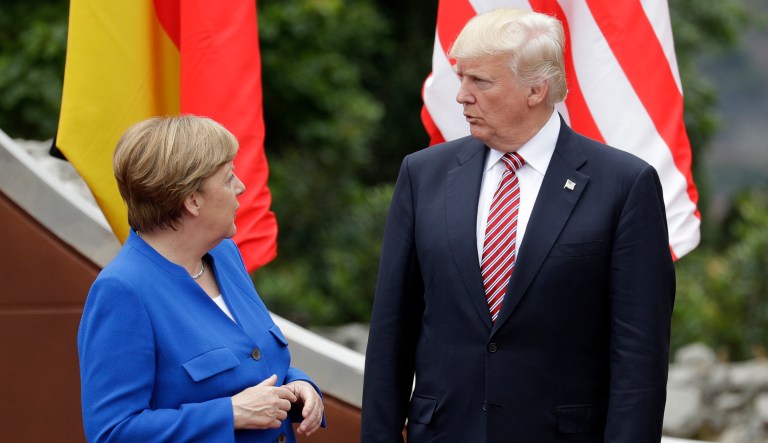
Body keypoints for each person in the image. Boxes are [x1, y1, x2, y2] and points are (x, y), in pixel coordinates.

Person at [361, 8, 675, 443]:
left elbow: (639, 358)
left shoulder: (623, 186)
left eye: (480, 81)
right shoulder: (422, 176)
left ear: (536, 89)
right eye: (461, 78)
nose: (462, 96)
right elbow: (391, 333)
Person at [78, 115, 324, 442]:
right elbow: (112, 432)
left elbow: (253, 361)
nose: (240, 186)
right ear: (192, 200)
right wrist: (229, 413)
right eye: (228, 178)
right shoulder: (123, 290)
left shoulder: (224, 255)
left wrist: (299, 386)